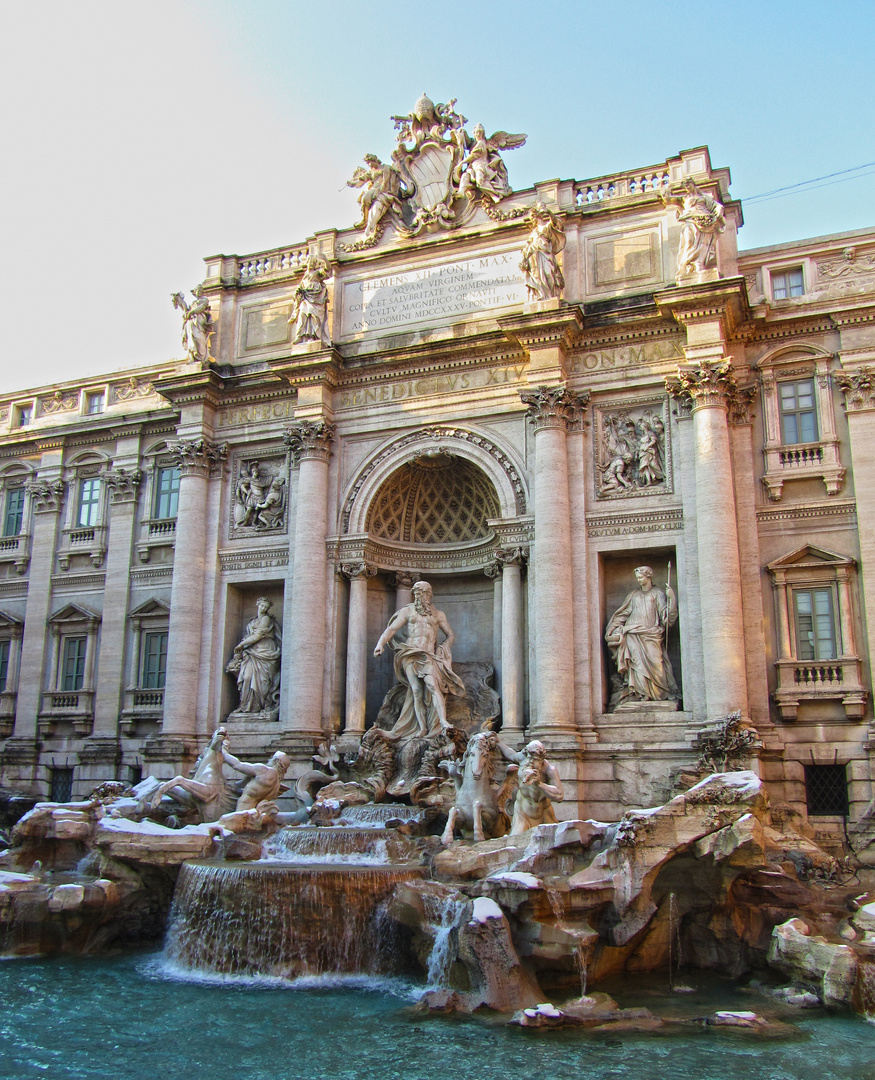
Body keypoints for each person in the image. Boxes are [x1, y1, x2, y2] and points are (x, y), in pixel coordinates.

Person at [373, 580, 466, 740]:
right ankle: (422, 728)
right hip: (410, 653)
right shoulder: (408, 611)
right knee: (416, 690)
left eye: (422, 593)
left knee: (432, 685)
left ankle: (443, 721)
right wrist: (380, 643)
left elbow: (450, 635)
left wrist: (443, 648)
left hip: (428, 655)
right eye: (416, 593)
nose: (419, 596)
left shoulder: (438, 614)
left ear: (429, 594)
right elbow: (392, 629)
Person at [605, 566, 678, 706]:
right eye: (637, 578)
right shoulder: (634, 595)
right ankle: (641, 694)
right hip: (633, 634)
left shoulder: (658, 593)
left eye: (641, 577)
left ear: (648, 576)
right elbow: (623, 614)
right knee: (636, 664)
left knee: (657, 664)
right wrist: (612, 628)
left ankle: (657, 693)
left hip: (651, 634)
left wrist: (672, 598)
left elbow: (666, 618)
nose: (639, 580)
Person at [226, 597, 282, 715]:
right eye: (262, 605)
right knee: (247, 677)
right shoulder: (252, 621)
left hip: (265, 651)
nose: (263, 608)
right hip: (252, 652)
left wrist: (241, 645)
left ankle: (261, 706)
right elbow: (250, 636)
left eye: (266, 607)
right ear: (257, 605)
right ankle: (246, 706)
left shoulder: (266, 619)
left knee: (263, 681)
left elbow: (257, 636)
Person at [661, 178, 725, 279]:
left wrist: (720, 209)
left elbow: (716, 206)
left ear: (693, 184)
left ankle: (698, 263)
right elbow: (668, 200)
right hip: (690, 220)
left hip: (704, 220)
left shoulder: (704, 197)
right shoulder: (684, 199)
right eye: (684, 185)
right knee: (689, 240)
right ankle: (689, 264)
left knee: (702, 243)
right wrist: (664, 190)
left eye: (688, 184)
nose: (686, 187)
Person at [499, 739, 564, 834]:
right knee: (516, 841)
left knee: (552, 843)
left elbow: (559, 796)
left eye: (535, 760)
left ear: (542, 759)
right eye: (529, 758)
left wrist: (540, 784)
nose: (531, 762)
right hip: (522, 813)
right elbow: (510, 754)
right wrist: (498, 742)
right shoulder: (522, 759)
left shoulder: (549, 770)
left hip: (544, 813)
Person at [221, 746, 291, 812]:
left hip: (242, 814)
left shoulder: (264, 770)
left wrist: (223, 751)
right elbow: (254, 794)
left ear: (275, 760)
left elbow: (237, 765)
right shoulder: (277, 785)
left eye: (272, 758)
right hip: (254, 816)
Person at [520, 203, 566, 301]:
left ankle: (550, 296)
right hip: (536, 258)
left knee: (549, 275)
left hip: (546, 255)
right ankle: (542, 295)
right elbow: (528, 248)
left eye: (533, 216)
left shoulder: (546, 227)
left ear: (538, 216)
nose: (532, 219)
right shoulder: (533, 233)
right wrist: (524, 259)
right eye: (531, 217)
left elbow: (555, 223)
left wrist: (548, 212)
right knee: (538, 277)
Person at [289, 255, 330, 345]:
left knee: (314, 316)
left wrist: (324, 260)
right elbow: (300, 286)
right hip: (306, 297)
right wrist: (297, 293)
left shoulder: (317, 273)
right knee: (302, 313)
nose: (309, 263)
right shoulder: (305, 276)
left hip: (316, 297)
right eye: (308, 261)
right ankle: (300, 336)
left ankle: (312, 336)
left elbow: (327, 271)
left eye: (310, 261)